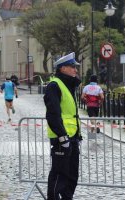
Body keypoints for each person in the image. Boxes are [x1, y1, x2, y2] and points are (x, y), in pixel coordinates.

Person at [44, 52, 82, 200]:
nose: (75, 70)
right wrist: (62, 137)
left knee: (72, 175)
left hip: (72, 136)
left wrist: (77, 136)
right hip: (62, 138)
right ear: (63, 68)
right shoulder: (55, 85)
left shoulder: (68, 84)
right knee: (59, 174)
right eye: (72, 67)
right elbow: (53, 114)